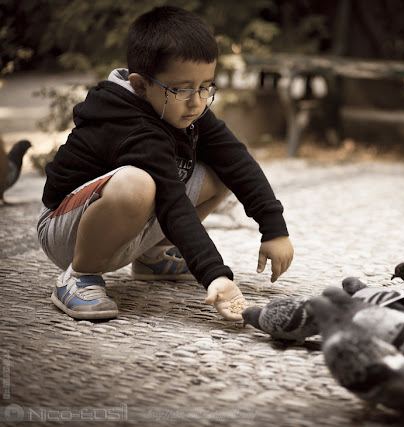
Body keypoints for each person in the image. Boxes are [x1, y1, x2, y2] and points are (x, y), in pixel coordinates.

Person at [36, 6, 293, 322]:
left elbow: (237, 160)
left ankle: (153, 258)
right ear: (141, 86)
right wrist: (216, 275)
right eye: (182, 89)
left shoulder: (184, 111)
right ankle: (79, 277)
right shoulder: (130, 125)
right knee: (138, 184)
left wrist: (274, 229)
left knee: (220, 170)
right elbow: (172, 202)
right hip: (65, 230)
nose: (196, 101)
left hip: (124, 222)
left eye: (204, 87)